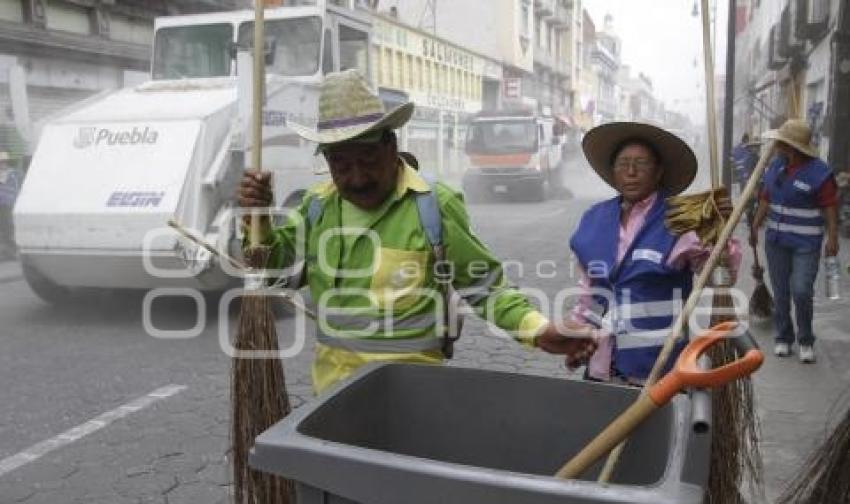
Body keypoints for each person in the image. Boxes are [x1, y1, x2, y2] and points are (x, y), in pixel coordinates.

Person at [237, 70, 596, 393]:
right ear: (327, 161)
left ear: (391, 146)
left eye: (367, 162)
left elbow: (485, 287)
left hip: (415, 395)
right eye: (342, 166)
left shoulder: (433, 205)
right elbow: (272, 274)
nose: (357, 178)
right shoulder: (316, 206)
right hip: (331, 392)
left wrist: (538, 329)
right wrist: (259, 220)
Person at [565, 122, 737, 385]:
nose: (631, 172)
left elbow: (718, 277)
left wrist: (721, 234)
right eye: (623, 164)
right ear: (613, 172)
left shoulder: (681, 221)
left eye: (641, 164)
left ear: (658, 172)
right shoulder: (594, 218)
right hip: (600, 363)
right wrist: (574, 337)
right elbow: (588, 291)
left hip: (657, 371)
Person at [750, 119, 839, 364]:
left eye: (781, 143)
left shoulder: (819, 173)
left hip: (806, 244)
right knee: (780, 293)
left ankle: (806, 339)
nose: (776, 146)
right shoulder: (776, 167)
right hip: (776, 243)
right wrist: (755, 225)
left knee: (801, 291)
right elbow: (766, 199)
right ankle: (783, 337)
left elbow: (830, 208)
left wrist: (832, 238)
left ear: (792, 147)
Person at [0, 151, 21, 260]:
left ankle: (14, 251)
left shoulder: (14, 173)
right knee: (4, 228)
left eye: (4, 162)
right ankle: (7, 251)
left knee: (11, 227)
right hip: (2, 206)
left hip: (11, 204)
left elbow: (19, 187)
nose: (2, 164)